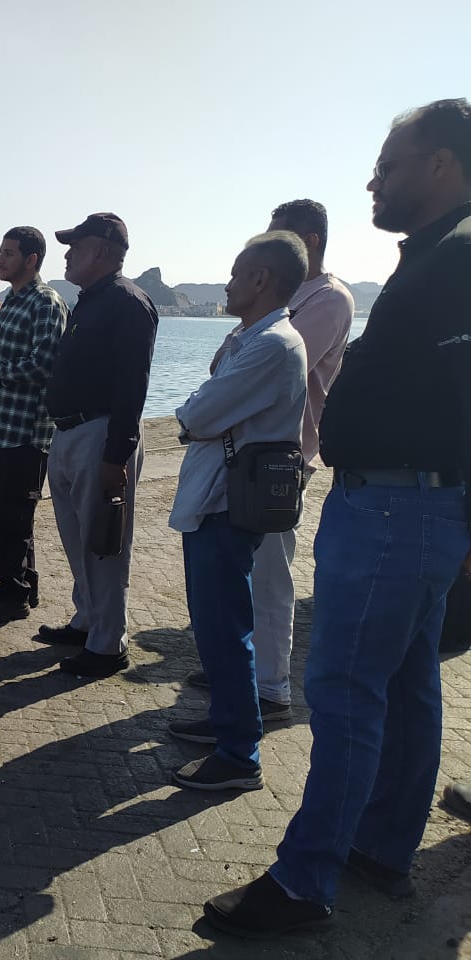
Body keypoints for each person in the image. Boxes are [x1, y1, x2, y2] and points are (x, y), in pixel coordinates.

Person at [205, 98, 471, 939]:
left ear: (441, 165)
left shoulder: (458, 258)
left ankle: (303, 881)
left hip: (398, 506)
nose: (372, 182)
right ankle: (383, 846)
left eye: (388, 167)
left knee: (346, 690)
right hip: (408, 501)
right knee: (408, 683)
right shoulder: (436, 254)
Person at [187, 200, 354, 720]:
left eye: (278, 234)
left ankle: (269, 687)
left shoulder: (327, 299)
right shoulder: (279, 306)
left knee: (269, 578)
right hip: (245, 454)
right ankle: (236, 672)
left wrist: (222, 385)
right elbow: (223, 362)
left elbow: (258, 367)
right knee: (242, 579)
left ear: (310, 240)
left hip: (278, 460)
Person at [167, 231, 309, 791]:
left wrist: (192, 416)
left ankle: (239, 754)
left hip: (227, 504)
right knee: (215, 624)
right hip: (219, 499)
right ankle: (228, 720)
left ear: (260, 279)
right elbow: (210, 397)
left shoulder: (273, 345)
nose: (226, 284)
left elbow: (198, 414)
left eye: (234, 274)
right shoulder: (254, 337)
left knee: (225, 627)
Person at [36, 214, 159, 677]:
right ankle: (87, 619)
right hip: (70, 432)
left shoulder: (128, 303)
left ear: (102, 251)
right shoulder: (90, 300)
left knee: (105, 545)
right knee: (78, 540)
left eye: (76, 245)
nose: (67, 254)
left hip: (100, 434)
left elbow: (133, 386)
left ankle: (108, 644)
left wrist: (116, 454)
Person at [0, 227, 66, 624]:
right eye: (1, 252)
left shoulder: (45, 302)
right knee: (4, 515)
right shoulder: (11, 301)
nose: (0, 259)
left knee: (15, 517)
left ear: (31, 260)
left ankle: (14, 596)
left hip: (22, 432)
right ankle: (18, 584)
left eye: (8, 253)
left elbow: (45, 364)